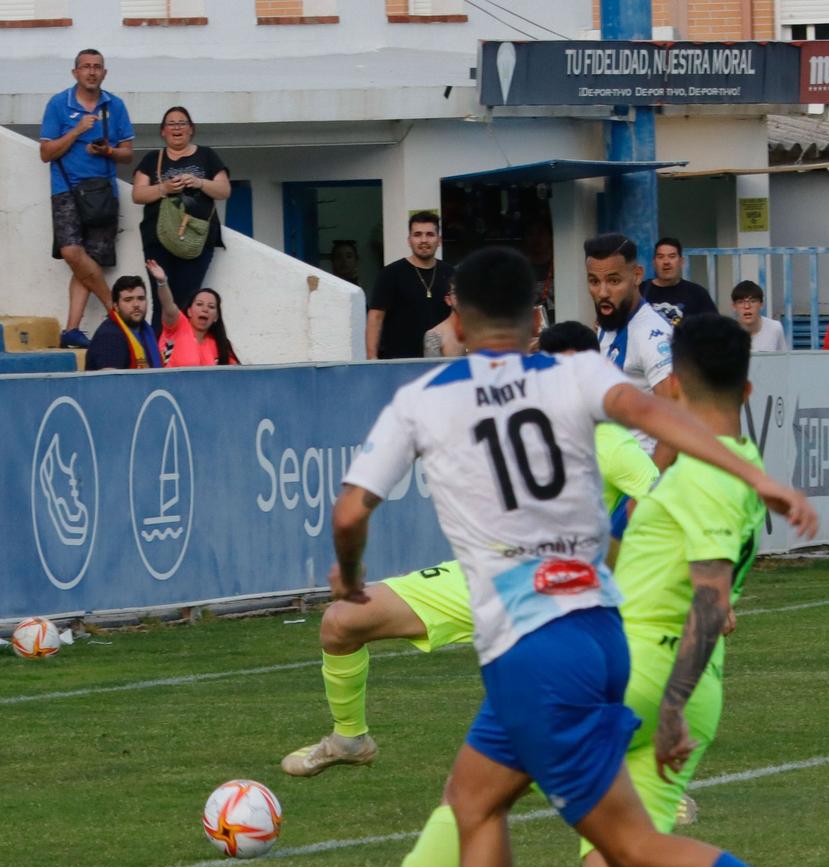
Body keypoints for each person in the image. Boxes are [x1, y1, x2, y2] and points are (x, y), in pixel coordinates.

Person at [288, 247, 829, 867]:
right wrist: (758, 478)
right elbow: (655, 414)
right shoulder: (577, 377)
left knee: (614, 845)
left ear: (453, 320)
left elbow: (351, 514)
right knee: (481, 800)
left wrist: (349, 579)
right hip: (601, 628)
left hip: (537, 645)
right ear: (535, 317)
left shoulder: (423, 398)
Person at [279, 318, 659, 782]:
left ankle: (649, 785)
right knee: (341, 621)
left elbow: (662, 501)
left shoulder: (613, 442)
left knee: (566, 709)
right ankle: (349, 739)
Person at [40, 49, 133, 349]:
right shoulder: (58, 104)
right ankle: (114, 310)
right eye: (85, 67)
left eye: (97, 67)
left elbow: (128, 154)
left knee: (88, 264)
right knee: (71, 252)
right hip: (66, 189)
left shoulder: (115, 106)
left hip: (102, 192)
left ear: (105, 73)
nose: (91, 72)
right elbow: (45, 153)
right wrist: (77, 131)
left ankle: (71, 330)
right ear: (75, 73)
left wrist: (107, 151)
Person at [130, 106, 229, 327]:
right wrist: (164, 188)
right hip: (158, 239)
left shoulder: (207, 155)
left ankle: (184, 356)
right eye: (171, 124)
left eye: (182, 123)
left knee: (188, 299)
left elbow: (224, 190)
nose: (177, 128)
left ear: (191, 129)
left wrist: (199, 182)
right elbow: (137, 194)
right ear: (163, 131)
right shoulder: (151, 159)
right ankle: (159, 356)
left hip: (197, 238)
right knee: (160, 300)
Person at [585, 232, 677, 418]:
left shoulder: (652, 337)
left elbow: (677, 419)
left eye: (613, 280)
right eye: (594, 281)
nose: (602, 292)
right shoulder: (609, 320)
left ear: (637, 276)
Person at [365, 211, 448, 359]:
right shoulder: (391, 274)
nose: (424, 240)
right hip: (400, 363)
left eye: (430, 234)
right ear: (409, 240)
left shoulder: (451, 274)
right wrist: (372, 360)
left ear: (439, 240)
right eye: (417, 234)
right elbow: (375, 317)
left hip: (442, 364)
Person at [145, 260, 235, 367]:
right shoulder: (177, 327)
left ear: (216, 317)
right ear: (189, 311)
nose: (205, 309)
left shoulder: (221, 345)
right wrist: (162, 282)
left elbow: (235, 375)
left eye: (211, 307)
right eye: (199, 304)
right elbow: (168, 306)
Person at [84, 273, 159, 371]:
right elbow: (110, 380)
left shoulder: (146, 330)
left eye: (141, 299)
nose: (136, 304)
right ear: (116, 306)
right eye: (128, 300)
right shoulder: (109, 336)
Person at [645, 237, 718, 326]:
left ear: (681, 261)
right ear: (654, 262)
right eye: (660, 257)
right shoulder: (640, 291)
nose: (666, 262)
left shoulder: (697, 293)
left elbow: (715, 329)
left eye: (672, 256)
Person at [731, 279, 788, 353]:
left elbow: (783, 361)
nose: (747, 306)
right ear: (734, 306)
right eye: (741, 302)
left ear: (761, 304)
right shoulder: (727, 334)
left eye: (753, 301)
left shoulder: (775, 328)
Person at [420, 282, 461, 359]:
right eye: (457, 292)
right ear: (448, 300)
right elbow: (433, 369)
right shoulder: (435, 335)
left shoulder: (480, 331)